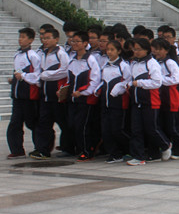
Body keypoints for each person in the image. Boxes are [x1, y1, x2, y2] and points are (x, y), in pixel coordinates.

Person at [128, 37, 171, 166]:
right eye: (134, 49)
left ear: (146, 50)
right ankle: (138, 156)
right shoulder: (133, 63)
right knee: (136, 130)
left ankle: (165, 144)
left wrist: (140, 83)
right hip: (136, 101)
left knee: (151, 128)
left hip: (150, 101)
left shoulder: (152, 63)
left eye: (139, 49)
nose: (136, 52)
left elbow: (157, 82)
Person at [30, 28, 69, 160]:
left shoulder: (61, 53)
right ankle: (43, 150)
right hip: (44, 94)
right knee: (44, 122)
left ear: (56, 39)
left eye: (48, 38)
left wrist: (46, 75)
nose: (45, 40)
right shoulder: (42, 53)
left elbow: (64, 71)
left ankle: (68, 147)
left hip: (56, 94)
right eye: (43, 38)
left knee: (63, 122)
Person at [152, 38, 179, 159]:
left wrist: (160, 79)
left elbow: (176, 79)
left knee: (172, 126)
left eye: (159, 49)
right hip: (160, 97)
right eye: (155, 49)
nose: (157, 52)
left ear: (166, 50)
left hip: (171, 97)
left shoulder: (170, 63)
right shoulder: (154, 62)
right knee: (165, 125)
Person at [67, 31, 102, 161]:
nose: (75, 44)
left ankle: (87, 151)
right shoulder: (72, 59)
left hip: (85, 100)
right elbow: (69, 79)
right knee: (72, 124)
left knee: (82, 125)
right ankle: (80, 148)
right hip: (72, 99)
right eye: (73, 41)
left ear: (85, 43)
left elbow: (95, 80)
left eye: (78, 41)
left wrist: (82, 92)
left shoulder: (90, 60)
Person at [7, 28, 40, 159]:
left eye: (23, 37)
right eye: (20, 36)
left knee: (32, 123)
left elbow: (37, 75)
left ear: (31, 40)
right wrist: (14, 79)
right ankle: (17, 150)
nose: (20, 39)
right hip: (17, 96)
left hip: (28, 96)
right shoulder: (17, 54)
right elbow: (17, 71)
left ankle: (41, 147)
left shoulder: (32, 56)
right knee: (14, 124)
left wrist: (24, 76)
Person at [98, 40, 130, 163]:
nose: (109, 52)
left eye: (112, 50)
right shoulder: (105, 65)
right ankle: (114, 153)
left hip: (118, 102)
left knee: (117, 130)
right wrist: (97, 89)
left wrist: (118, 88)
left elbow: (127, 81)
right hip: (105, 102)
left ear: (119, 51)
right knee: (106, 130)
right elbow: (102, 81)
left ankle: (129, 149)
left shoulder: (123, 66)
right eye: (108, 50)